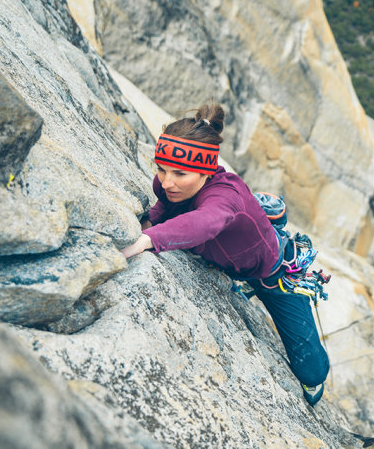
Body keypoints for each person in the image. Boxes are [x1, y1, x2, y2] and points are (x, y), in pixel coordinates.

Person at [120, 104, 329, 406]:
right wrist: (150, 220)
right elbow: (165, 205)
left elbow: (206, 221)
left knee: (311, 371)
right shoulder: (170, 185)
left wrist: (148, 239)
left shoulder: (223, 197)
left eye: (179, 172)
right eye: (161, 168)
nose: (166, 181)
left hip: (274, 272)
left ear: (207, 170)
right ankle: (252, 250)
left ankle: (272, 235)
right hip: (232, 258)